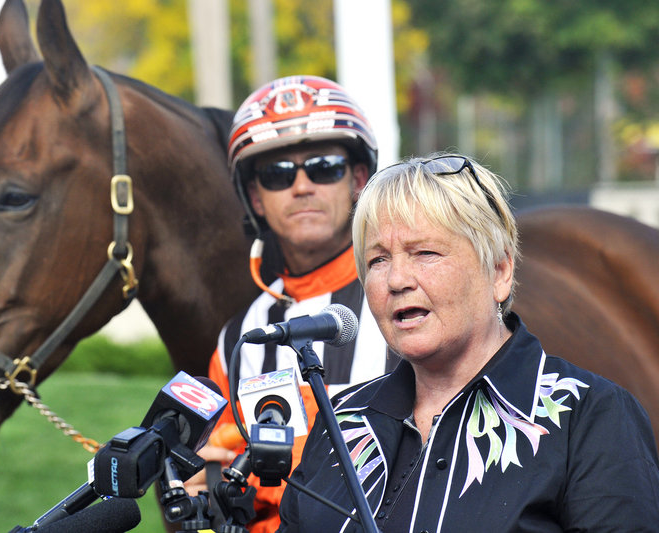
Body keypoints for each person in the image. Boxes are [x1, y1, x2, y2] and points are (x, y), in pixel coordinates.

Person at [277, 154, 659, 532]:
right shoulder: (340, 420)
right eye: (378, 260)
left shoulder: (592, 417)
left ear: (499, 271)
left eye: (425, 253)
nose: (396, 280)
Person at [183, 75, 393, 532]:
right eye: (278, 174)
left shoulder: (410, 303)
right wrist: (207, 486)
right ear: (256, 198)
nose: (301, 186)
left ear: (358, 179)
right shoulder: (238, 338)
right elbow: (221, 477)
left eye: (323, 167)